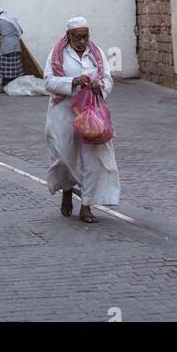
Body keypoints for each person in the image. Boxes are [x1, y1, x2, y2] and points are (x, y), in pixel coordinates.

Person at [43, 16, 119, 224]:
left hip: (91, 113)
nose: (83, 41)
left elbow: (108, 79)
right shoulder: (58, 54)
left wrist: (100, 86)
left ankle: (86, 205)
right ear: (68, 36)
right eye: (78, 37)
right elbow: (48, 81)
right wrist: (73, 81)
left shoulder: (96, 54)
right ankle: (67, 189)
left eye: (86, 36)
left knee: (92, 158)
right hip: (64, 111)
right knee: (63, 156)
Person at [0, 8, 24, 88]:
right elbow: (21, 30)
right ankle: (15, 83)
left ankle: (6, 83)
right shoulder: (11, 19)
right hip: (16, 44)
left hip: (6, 45)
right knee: (15, 64)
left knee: (6, 65)